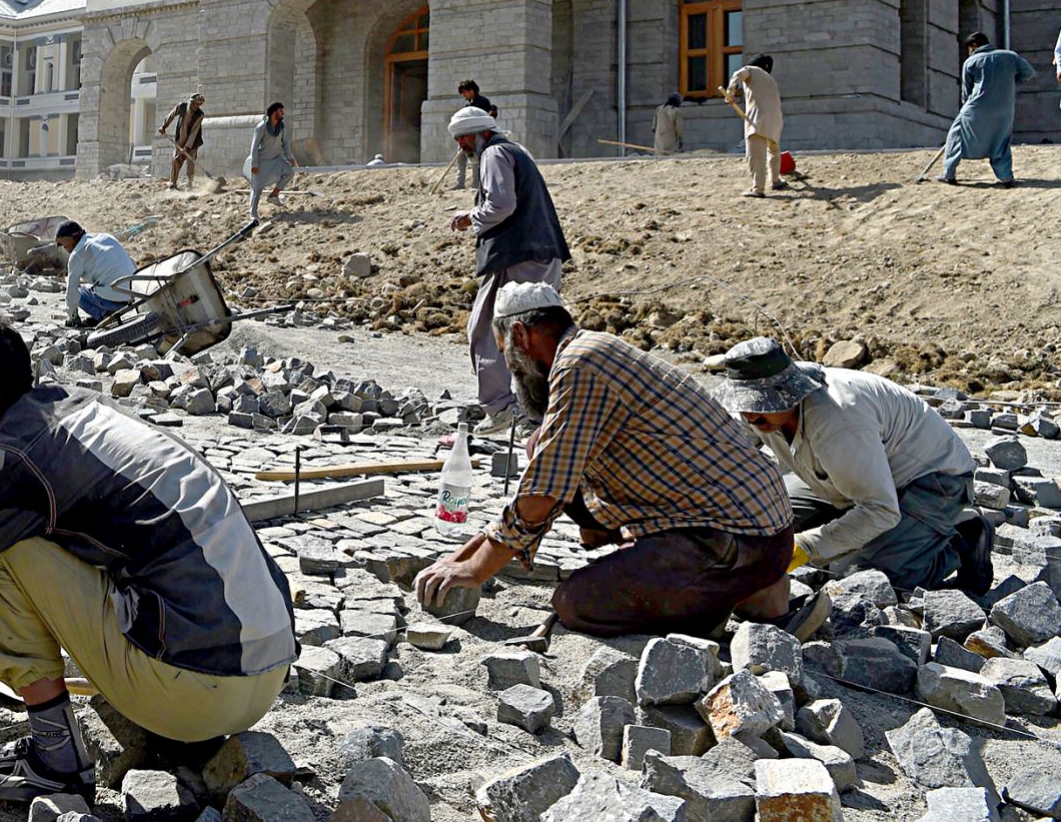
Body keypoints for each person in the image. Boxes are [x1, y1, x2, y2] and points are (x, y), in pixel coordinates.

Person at [0, 308, 295, 803]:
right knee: (8, 543)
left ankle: (55, 760)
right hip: (264, 677)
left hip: (193, 694)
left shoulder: (17, 459)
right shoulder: (82, 412)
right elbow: (25, 586)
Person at [415, 284, 816, 640]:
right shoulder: (592, 349)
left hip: (737, 539)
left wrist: (477, 571)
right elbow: (550, 463)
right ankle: (748, 586)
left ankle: (725, 600)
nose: (512, 371)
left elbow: (542, 492)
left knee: (576, 602)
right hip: (756, 529)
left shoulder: (581, 365)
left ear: (520, 334)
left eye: (508, 357)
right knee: (539, 441)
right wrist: (460, 557)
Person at [709, 337, 992, 595]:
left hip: (929, 480)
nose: (750, 414)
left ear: (789, 392)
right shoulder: (759, 413)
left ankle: (958, 539)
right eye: (745, 404)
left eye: (760, 404)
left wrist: (807, 545)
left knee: (863, 581)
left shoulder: (839, 422)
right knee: (758, 521)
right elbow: (728, 455)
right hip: (843, 476)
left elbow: (880, 509)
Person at [445, 106, 572, 436]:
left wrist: (470, 218)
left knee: (487, 331)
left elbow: (501, 204)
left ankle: (501, 408)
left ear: (478, 134)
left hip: (518, 256)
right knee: (534, 336)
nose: (462, 147)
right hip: (541, 253)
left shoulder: (494, 154)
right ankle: (540, 408)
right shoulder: (516, 151)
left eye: (463, 140)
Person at [940, 32, 1036, 187]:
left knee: (956, 135)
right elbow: (1029, 73)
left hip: (977, 106)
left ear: (974, 46)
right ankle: (1006, 177)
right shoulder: (1011, 56)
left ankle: (948, 173)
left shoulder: (971, 61)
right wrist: (1011, 81)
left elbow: (967, 91)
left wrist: (965, 106)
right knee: (1001, 140)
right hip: (1005, 108)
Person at [725, 55, 785, 198]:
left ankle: (758, 188)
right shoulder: (772, 80)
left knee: (756, 155)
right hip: (776, 119)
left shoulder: (751, 70)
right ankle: (775, 180)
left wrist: (730, 91)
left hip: (758, 119)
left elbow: (737, 74)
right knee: (774, 150)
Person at [56, 221, 134, 327]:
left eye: (63, 243)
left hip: (113, 303)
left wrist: (73, 319)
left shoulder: (77, 254)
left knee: (78, 291)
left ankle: (104, 316)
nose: (62, 246)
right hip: (133, 297)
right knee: (97, 286)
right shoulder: (106, 237)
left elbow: (71, 293)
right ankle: (106, 314)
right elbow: (131, 262)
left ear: (72, 238)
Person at [245, 102, 297, 224]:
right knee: (257, 188)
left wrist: (290, 157)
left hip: (276, 159)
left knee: (289, 172)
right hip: (261, 161)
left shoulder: (282, 126)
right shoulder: (262, 127)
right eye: (280, 111)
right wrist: (255, 164)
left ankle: (274, 195)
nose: (282, 113)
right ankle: (253, 214)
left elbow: (285, 143)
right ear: (274, 112)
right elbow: (254, 146)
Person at [157, 92, 208, 190]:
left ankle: (189, 184)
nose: (197, 106)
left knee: (190, 161)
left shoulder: (200, 115)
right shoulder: (182, 107)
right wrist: (163, 126)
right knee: (176, 159)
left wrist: (187, 147)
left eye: (199, 104)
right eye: (196, 104)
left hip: (193, 142)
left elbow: (194, 132)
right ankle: (173, 183)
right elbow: (171, 115)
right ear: (191, 102)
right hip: (181, 138)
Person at [454, 80, 499, 190]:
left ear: (471, 91)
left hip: (478, 136)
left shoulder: (482, 102)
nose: (463, 95)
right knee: (460, 158)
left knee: (475, 158)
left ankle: (476, 183)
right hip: (465, 135)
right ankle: (460, 183)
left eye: (465, 92)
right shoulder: (469, 106)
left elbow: (485, 119)